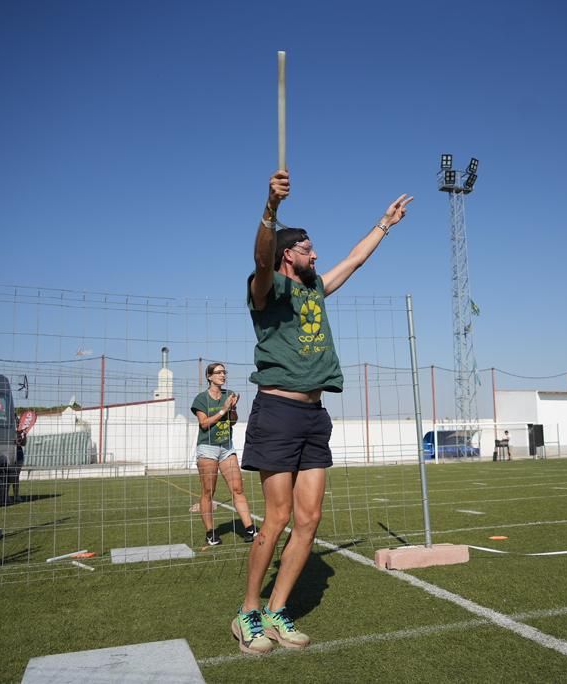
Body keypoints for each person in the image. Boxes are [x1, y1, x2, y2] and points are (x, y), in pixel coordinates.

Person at [230, 169, 412, 655]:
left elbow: (354, 260)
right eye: (309, 249)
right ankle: (248, 611)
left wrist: (385, 223)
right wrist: (270, 208)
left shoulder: (314, 290)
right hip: (277, 413)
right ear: (288, 254)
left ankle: (276, 611)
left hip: (315, 416)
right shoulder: (266, 289)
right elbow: (259, 258)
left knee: (309, 520)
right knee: (277, 518)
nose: (317, 256)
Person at [191, 362, 257, 546]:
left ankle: (250, 528)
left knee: (237, 489)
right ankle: (211, 533)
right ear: (209, 377)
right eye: (218, 372)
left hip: (227, 447)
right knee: (208, 492)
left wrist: (233, 409)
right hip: (208, 449)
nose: (223, 375)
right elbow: (204, 424)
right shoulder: (201, 399)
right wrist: (224, 409)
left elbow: (233, 421)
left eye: (224, 372)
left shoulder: (229, 394)